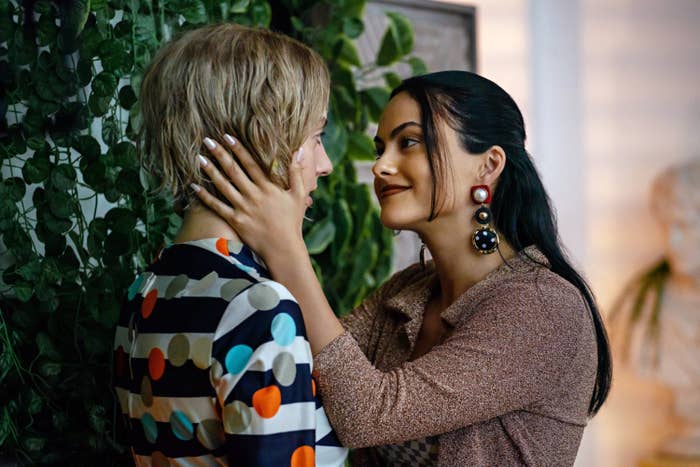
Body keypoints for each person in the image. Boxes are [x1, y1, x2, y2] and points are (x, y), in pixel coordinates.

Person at [195, 70, 613, 466]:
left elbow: (367, 413)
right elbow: (304, 373)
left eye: (408, 143)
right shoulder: (409, 291)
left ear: (488, 165)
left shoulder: (543, 308)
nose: (380, 167)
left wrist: (284, 245)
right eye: (380, 149)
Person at [112, 23, 347, 466]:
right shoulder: (260, 309)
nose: (325, 163)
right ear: (265, 139)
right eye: (316, 137)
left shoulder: (145, 289)